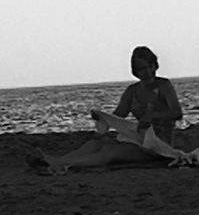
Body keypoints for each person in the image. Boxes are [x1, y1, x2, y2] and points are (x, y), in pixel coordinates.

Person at [28, 47, 181, 173]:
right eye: (142, 68)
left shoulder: (163, 86)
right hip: (139, 138)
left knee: (110, 152)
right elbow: (118, 115)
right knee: (98, 143)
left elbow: (177, 112)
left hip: (160, 145)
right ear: (136, 71)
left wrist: (152, 116)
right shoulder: (132, 91)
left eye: (150, 67)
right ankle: (57, 160)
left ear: (155, 65)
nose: (148, 72)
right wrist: (102, 119)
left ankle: (62, 164)